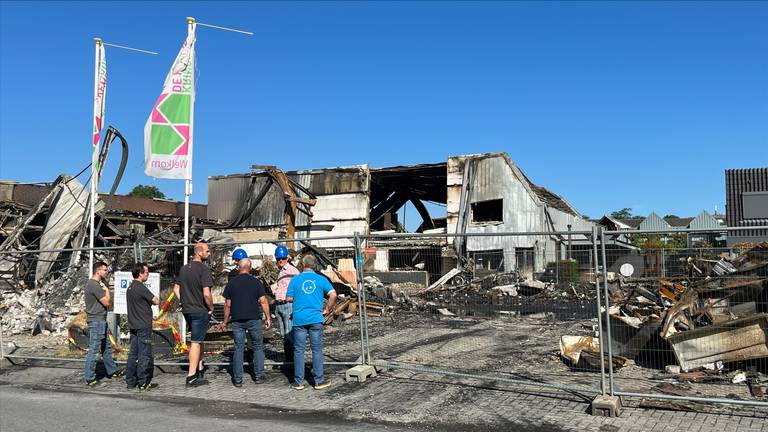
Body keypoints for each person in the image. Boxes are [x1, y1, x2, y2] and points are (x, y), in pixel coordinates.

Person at [286, 254, 336, 390]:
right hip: (315, 318)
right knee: (317, 350)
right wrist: (327, 309)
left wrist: (299, 297)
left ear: (302, 265)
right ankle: (318, 381)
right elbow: (333, 294)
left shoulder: (295, 280)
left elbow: (288, 298)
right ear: (315, 265)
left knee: (299, 351)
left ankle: (299, 382)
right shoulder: (321, 279)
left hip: (299, 319)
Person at [223, 258, 271, 387]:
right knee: (258, 346)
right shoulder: (256, 283)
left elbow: (227, 304)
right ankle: (259, 375)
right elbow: (263, 301)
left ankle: (238, 379)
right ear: (249, 268)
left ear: (238, 267)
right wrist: (268, 317)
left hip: (237, 320)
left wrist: (225, 320)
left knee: (238, 348)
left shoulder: (231, 283)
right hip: (254, 319)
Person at [174, 241, 214, 387]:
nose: (209, 253)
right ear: (199, 252)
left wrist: (184, 301)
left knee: (199, 339)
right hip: (199, 310)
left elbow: (176, 289)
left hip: (188, 309)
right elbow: (207, 294)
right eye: (207, 251)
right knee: (196, 342)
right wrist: (211, 307)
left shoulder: (184, 269)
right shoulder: (203, 269)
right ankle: (191, 377)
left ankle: (200, 367)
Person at [83, 261, 123, 386]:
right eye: (105, 270)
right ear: (98, 271)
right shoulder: (94, 285)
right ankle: (90, 378)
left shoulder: (95, 284)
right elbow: (106, 302)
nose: (106, 272)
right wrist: (107, 291)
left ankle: (112, 370)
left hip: (101, 320)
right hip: (96, 321)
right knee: (94, 349)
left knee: (106, 348)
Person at [125, 262, 160, 391]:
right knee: (144, 354)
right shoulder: (140, 287)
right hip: (143, 325)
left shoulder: (130, 287)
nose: (148, 274)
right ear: (140, 274)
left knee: (133, 354)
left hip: (134, 324)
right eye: (146, 272)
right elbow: (155, 300)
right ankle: (143, 382)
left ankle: (130, 381)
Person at [272, 245, 299, 370]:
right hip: (280, 305)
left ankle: (292, 362)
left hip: (287, 305)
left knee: (289, 333)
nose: (280, 261)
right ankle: (289, 361)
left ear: (287, 258)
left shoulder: (293, 271)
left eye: (282, 258)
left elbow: (298, 290)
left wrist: (292, 299)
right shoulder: (281, 271)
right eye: (278, 259)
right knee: (284, 334)